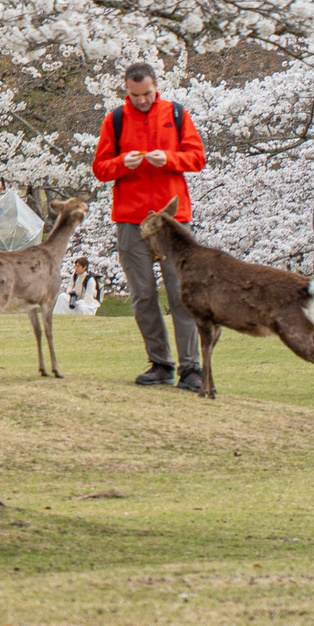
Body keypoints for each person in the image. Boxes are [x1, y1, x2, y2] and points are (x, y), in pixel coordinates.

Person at [92, 61, 206, 391]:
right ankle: (160, 363)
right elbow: (100, 168)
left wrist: (169, 159)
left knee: (181, 292)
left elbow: (197, 158)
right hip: (131, 218)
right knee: (142, 294)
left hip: (172, 218)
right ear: (126, 91)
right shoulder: (115, 119)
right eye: (134, 95)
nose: (141, 100)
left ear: (156, 86)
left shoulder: (176, 114)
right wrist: (121, 165)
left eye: (147, 94)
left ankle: (190, 367)